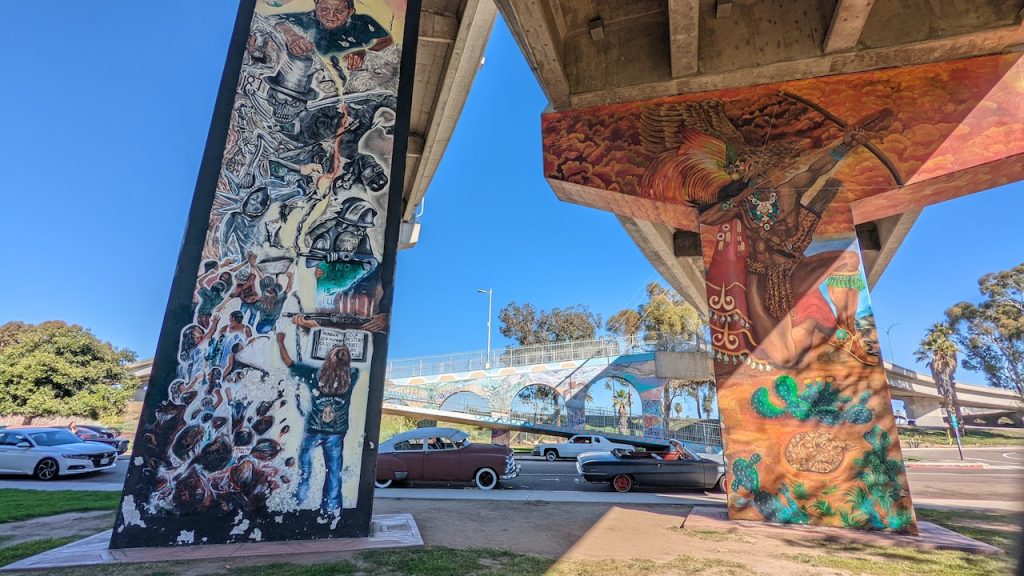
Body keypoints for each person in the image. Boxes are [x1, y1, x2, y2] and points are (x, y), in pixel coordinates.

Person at [275, 332, 358, 516]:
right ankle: (330, 508)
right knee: (334, 472)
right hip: (336, 433)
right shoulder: (352, 376)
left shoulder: (313, 374)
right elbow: (351, 366)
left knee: (305, 466)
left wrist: (280, 341)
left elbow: (289, 363)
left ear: (328, 359)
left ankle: (300, 496)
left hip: (313, 430)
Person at [275, 0, 393, 80]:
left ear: (350, 12)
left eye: (339, 11)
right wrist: (291, 35)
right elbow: (275, 21)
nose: (330, 16)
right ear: (316, 7)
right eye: (324, 9)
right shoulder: (307, 19)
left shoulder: (362, 23)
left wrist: (365, 52)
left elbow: (387, 40)